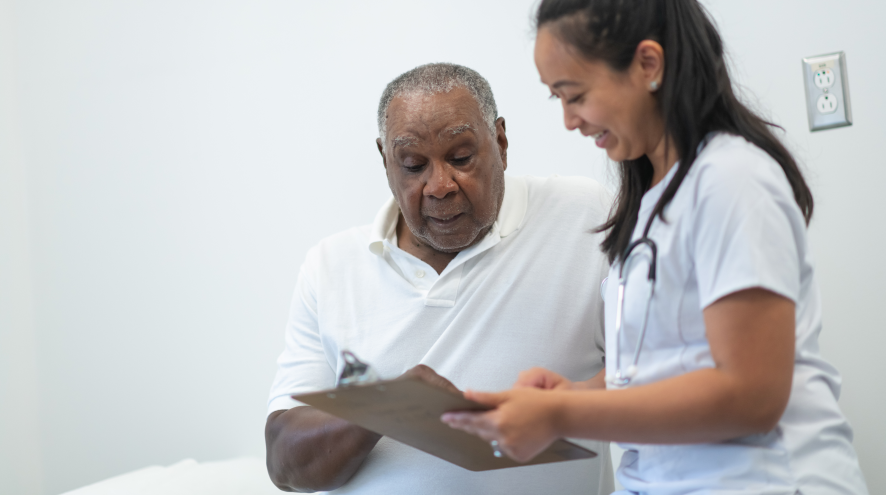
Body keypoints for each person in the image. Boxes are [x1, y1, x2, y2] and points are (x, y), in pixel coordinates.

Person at [442, 2, 870, 495]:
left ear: (648, 64)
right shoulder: (654, 199)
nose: (568, 121)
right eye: (556, 99)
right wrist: (576, 393)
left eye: (574, 94)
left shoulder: (732, 180)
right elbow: (672, 362)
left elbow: (751, 395)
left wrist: (563, 413)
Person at [264, 63, 616, 494]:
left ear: (501, 143)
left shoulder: (584, 216)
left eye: (461, 158)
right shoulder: (330, 266)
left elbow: (661, 371)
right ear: (385, 160)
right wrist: (387, 407)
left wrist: (567, 406)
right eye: (413, 165)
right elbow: (285, 464)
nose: (440, 185)